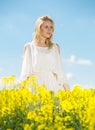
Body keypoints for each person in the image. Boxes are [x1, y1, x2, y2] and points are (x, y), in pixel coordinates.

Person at [20, 15, 70, 92]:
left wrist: (69, 93)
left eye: (51, 27)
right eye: (46, 27)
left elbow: (60, 71)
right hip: (34, 86)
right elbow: (25, 73)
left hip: (52, 86)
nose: (49, 30)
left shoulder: (55, 47)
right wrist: (20, 93)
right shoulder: (29, 47)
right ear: (39, 28)